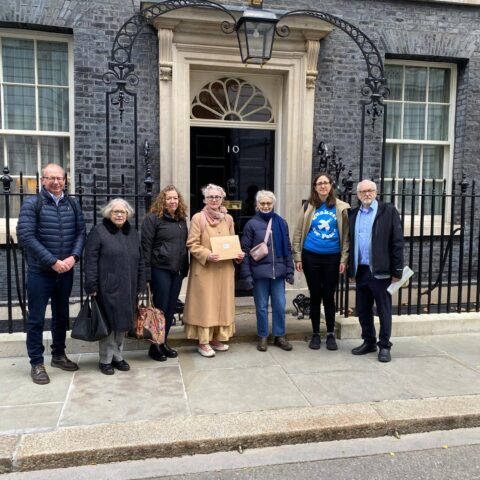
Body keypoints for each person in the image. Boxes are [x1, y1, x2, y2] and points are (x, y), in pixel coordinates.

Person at [17, 163, 86, 385]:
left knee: (61, 315)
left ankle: (58, 355)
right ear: (43, 180)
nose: (56, 182)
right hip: (40, 272)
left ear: (65, 180)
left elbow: (81, 233)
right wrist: (52, 261)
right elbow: (27, 236)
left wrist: (73, 257)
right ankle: (37, 363)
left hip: (65, 271)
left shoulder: (72, 205)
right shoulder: (32, 204)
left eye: (59, 178)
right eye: (51, 178)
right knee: (36, 318)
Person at [84, 198, 145, 375]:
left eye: (122, 212)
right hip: (107, 286)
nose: (119, 215)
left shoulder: (132, 233)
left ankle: (118, 356)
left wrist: (140, 284)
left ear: (128, 214)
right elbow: (90, 260)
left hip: (129, 286)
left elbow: (140, 260)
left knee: (123, 323)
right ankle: (105, 359)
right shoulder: (99, 231)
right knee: (109, 324)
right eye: (115, 212)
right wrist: (91, 285)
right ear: (109, 213)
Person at [183, 184, 245, 357]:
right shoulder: (198, 218)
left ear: (222, 199)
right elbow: (192, 244)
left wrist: (237, 255)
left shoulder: (228, 219)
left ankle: (216, 338)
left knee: (221, 304)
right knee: (206, 305)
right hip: (205, 270)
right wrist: (207, 254)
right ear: (204, 200)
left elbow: (233, 241)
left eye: (217, 197)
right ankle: (203, 342)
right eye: (210, 197)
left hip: (224, 270)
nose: (214, 200)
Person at [348, 179, 404, 363]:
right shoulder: (353, 214)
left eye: (370, 190)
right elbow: (350, 243)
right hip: (361, 270)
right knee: (363, 309)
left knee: (383, 309)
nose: (367, 194)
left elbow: (397, 242)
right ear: (358, 194)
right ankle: (369, 341)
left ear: (376, 192)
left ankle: (385, 345)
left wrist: (397, 270)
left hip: (381, 271)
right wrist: (351, 270)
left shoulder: (387, 211)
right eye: (363, 191)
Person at [292, 172, 350, 351]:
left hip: (332, 257)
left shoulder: (342, 207)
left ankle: (331, 334)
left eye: (325, 183)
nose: (323, 186)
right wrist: (297, 256)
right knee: (315, 295)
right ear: (315, 187)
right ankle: (316, 333)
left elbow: (347, 237)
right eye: (319, 184)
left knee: (329, 297)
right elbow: (298, 232)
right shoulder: (308, 207)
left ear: (331, 185)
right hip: (311, 257)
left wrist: (344, 259)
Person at [239, 190, 294, 352]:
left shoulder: (281, 223)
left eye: (268, 203)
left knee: (279, 305)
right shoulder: (251, 224)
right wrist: (247, 275)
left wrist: (289, 271)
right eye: (262, 203)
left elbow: (288, 249)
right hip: (259, 274)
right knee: (261, 306)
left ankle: (279, 335)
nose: (265, 206)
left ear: (273, 204)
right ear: (257, 204)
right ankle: (263, 336)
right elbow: (245, 251)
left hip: (278, 273)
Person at [141, 185, 189, 362]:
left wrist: (186, 267)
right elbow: (145, 247)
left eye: (175, 198)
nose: (173, 201)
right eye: (169, 198)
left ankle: (164, 342)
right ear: (163, 200)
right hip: (160, 268)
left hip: (177, 270)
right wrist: (147, 273)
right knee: (159, 309)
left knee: (170, 308)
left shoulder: (181, 220)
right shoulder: (153, 219)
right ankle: (154, 347)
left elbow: (185, 245)